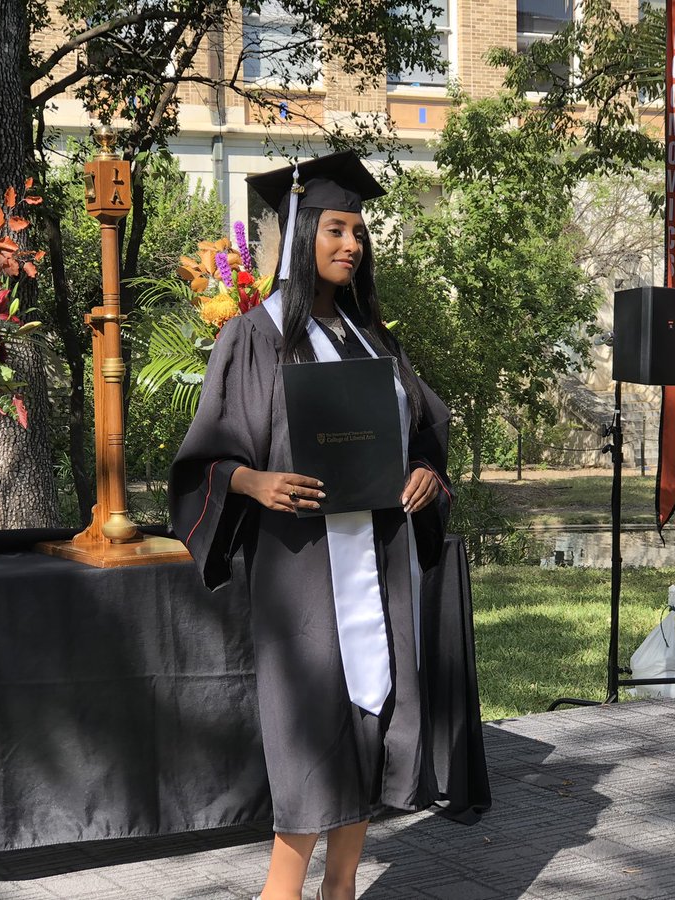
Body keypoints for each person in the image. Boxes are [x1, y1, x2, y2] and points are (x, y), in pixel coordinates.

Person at [169, 151, 452, 900]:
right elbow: (204, 460)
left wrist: (427, 472)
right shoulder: (254, 336)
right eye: (335, 229)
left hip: (379, 560)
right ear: (302, 234)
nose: (351, 244)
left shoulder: (373, 340)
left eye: (358, 231)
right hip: (300, 567)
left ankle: (342, 889)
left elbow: (425, 431)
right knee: (311, 736)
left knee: (367, 723)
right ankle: (281, 892)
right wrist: (253, 481)